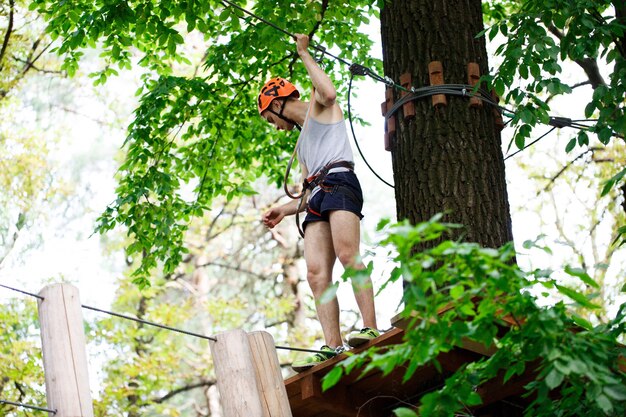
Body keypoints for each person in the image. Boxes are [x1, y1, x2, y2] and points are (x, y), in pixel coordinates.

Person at [259, 34, 379, 372]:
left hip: (340, 182)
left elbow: (329, 91)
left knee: (347, 254)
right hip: (317, 196)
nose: (276, 127)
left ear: (277, 103)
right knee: (315, 273)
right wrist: (283, 210)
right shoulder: (301, 145)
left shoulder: (319, 105)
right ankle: (332, 344)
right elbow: (305, 191)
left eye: (271, 119)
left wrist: (303, 52)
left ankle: (369, 326)